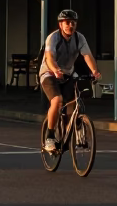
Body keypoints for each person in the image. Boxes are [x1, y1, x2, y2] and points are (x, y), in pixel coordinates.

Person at [40, 10, 100, 152]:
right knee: (57, 101)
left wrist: (94, 71)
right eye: (67, 23)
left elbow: (87, 55)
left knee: (73, 105)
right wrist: (55, 70)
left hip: (67, 74)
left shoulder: (79, 38)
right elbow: (49, 57)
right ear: (61, 25)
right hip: (49, 73)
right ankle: (49, 137)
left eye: (73, 23)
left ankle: (68, 139)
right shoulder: (53, 38)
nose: (70, 25)